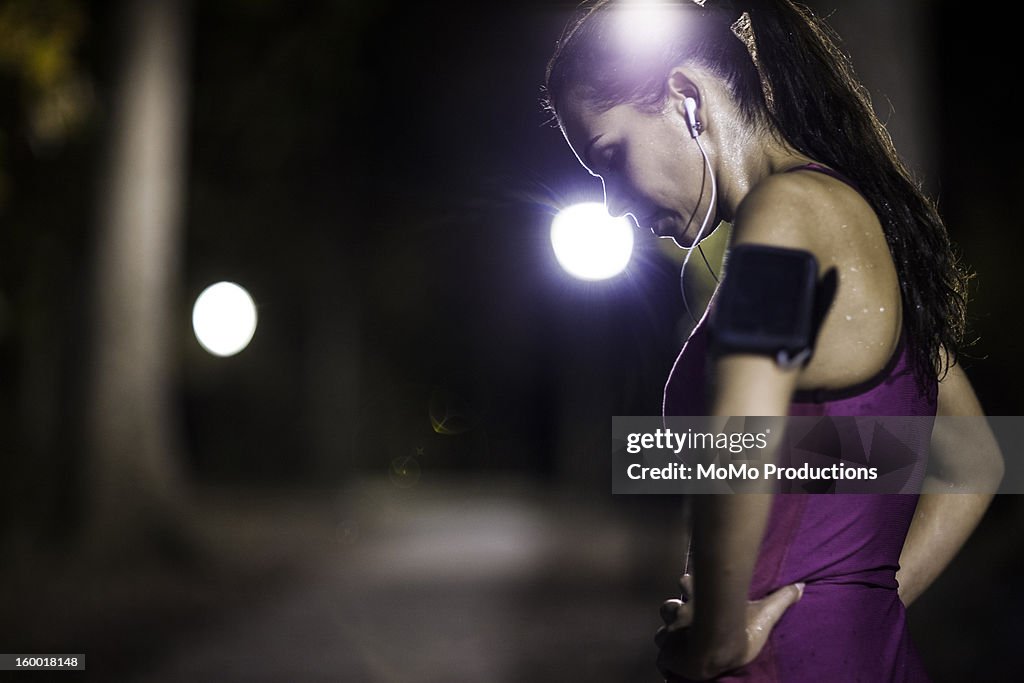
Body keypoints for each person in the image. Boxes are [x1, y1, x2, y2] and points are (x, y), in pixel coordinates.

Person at [542, 0, 1004, 680]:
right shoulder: (842, 219)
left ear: (687, 98)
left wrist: (722, 635)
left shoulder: (786, 216)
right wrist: (853, 601)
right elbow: (974, 458)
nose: (615, 203)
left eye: (611, 156)